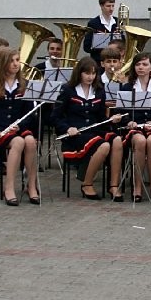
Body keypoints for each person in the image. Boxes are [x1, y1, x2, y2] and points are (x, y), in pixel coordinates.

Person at [51, 57, 124, 201]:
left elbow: (100, 118)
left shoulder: (99, 90)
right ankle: (87, 183)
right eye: (87, 73)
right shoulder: (67, 90)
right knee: (104, 146)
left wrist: (111, 119)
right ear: (79, 73)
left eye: (93, 73)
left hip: (94, 131)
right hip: (75, 135)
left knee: (117, 140)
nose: (91, 77)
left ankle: (114, 185)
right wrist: (67, 128)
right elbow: (55, 117)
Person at [0, 48, 40, 206]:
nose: (15, 64)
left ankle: (31, 186)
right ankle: (9, 188)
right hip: (0, 131)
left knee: (30, 142)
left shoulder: (25, 84)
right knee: (19, 142)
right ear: (3, 63)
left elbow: (31, 115)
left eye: (17, 60)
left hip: (19, 128)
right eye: (11, 61)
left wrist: (20, 126)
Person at [118, 52, 151, 203]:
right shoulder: (127, 87)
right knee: (140, 141)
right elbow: (121, 113)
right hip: (135, 129)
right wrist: (129, 122)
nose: (140, 67)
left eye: (144, 64)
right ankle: (137, 186)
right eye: (137, 64)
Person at [83, 0, 121, 67]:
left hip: (114, 63)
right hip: (98, 62)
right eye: (108, 6)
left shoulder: (118, 22)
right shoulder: (93, 23)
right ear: (101, 6)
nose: (111, 9)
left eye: (113, 6)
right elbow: (87, 47)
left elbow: (123, 44)